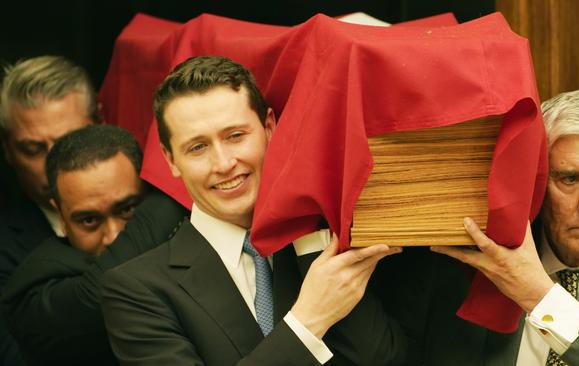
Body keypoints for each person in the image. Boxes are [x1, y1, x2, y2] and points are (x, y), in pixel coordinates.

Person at [101, 55, 406, 365]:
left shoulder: (320, 243)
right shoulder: (135, 290)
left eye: (235, 136)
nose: (223, 164)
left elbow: (383, 359)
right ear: (170, 160)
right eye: (197, 147)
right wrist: (307, 321)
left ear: (269, 128)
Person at [428, 88, 579, 365]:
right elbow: (389, 354)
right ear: (537, 176)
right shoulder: (475, 258)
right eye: (570, 179)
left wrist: (538, 294)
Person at [1, 124, 188, 365]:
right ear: (61, 217)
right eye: (89, 220)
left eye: (128, 209)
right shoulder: (32, 291)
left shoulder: (187, 247)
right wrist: (179, 181)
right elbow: (102, 290)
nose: (113, 235)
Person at [0, 55, 96, 366]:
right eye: (32, 149)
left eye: (70, 142)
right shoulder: (5, 247)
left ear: (100, 124)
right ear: (8, 149)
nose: (54, 166)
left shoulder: (149, 210)